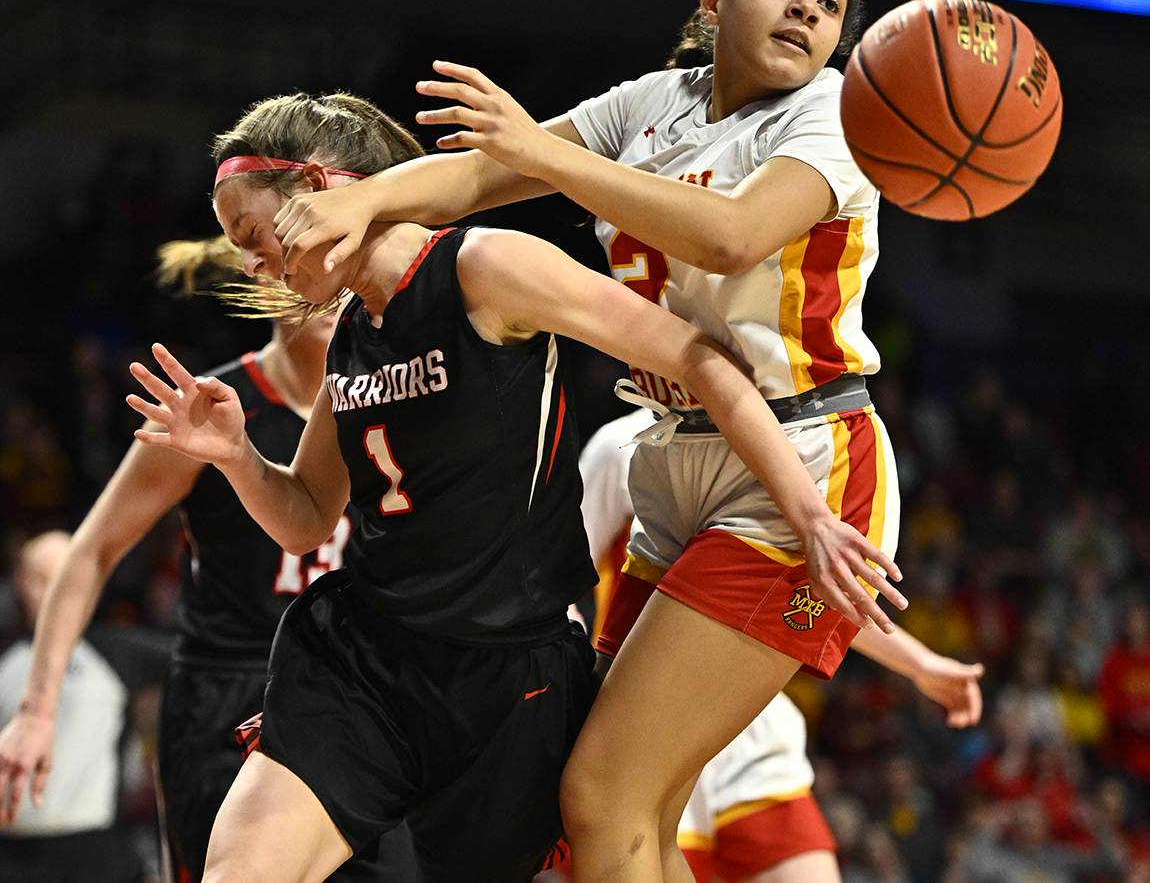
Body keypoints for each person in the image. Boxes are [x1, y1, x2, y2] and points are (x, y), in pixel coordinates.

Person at [125, 80, 904, 883]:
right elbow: (304, 519)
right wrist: (234, 454)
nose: (252, 266)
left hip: (505, 677)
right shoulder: (352, 335)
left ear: (321, 188)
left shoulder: (483, 265)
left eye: (252, 234)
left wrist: (808, 509)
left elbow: (698, 359)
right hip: (365, 661)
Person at [271, 0, 903, 881]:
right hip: (676, 451)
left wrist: (546, 155)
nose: (807, 10)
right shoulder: (656, 103)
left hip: (801, 452)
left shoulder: (831, 113)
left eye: (829, 3)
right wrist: (365, 199)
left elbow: (730, 237)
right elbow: (480, 173)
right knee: (626, 807)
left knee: (601, 795)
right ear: (710, 0)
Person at [0, 233, 418, 883]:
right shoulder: (209, 407)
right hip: (231, 691)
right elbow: (94, 548)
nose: (335, 288)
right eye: (313, 266)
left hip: (364, 689)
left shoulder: (409, 398)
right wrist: (37, 708)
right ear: (269, 284)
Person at [577, 411, 984, 883]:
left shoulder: (790, 438)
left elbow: (798, 595)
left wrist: (919, 664)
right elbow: (560, 575)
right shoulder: (622, 444)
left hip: (746, 710)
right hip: (648, 713)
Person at [0, 531, 141, 883]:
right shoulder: (5, 658)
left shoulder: (116, 651)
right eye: (41, 580)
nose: (53, 595)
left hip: (92, 849)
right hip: (11, 850)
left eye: (64, 580)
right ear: (20, 581)